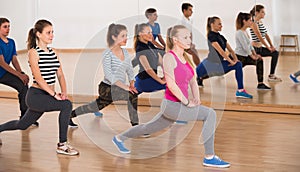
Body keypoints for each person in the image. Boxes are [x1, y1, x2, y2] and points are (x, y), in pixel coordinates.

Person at [112, 25, 230, 168]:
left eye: (190, 37)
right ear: (175, 40)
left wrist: (196, 98)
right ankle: (209, 157)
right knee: (209, 114)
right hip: (172, 106)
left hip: (176, 106)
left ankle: (119, 138)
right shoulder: (169, 57)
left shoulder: (185, 57)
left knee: (147, 128)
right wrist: (187, 102)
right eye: (185, 37)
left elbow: (193, 80)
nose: (189, 40)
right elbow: (171, 84)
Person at [0, 19, 79, 155]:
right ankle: (62, 144)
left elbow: (60, 75)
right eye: (48, 32)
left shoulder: (54, 52)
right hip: (36, 96)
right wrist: (55, 95)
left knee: (23, 125)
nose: (52, 35)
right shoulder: (33, 53)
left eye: (52, 32)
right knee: (66, 105)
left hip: (47, 95)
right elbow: (39, 79)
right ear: (38, 34)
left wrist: (64, 92)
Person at [70, 24, 140, 126]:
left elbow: (129, 69)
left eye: (126, 35)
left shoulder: (125, 52)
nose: (126, 39)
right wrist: (126, 87)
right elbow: (109, 75)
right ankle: (136, 126)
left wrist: (132, 83)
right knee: (132, 96)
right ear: (114, 37)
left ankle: (69, 115)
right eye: (123, 36)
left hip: (117, 88)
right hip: (107, 88)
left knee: (94, 107)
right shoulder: (107, 53)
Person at [196, 16, 253, 99]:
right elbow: (221, 52)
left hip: (218, 65)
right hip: (208, 64)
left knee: (238, 64)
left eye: (221, 24)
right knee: (199, 73)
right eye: (219, 24)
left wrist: (235, 59)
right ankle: (199, 79)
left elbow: (231, 50)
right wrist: (231, 61)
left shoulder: (221, 37)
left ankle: (240, 91)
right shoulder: (211, 36)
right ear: (212, 24)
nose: (221, 26)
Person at [0, 18, 39, 126]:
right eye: (5, 26)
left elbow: (14, 60)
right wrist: (18, 74)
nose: (8, 29)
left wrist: (21, 74)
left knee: (23, 84)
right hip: (2, 71)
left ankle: (25, 117)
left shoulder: (11, 42)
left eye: (9, 26)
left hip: (3, 73)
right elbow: (2, 63)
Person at [235, 12, 271, 90]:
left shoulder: (245, 32)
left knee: (259, 60)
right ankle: (201, 78)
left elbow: (250, 45)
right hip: (238, 57)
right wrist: (252, 56)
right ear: (244, 21)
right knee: (221, 71)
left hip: (246, 57)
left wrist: (255, 55)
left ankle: (260, 84)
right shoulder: (239, 33)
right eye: (250, 20)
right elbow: (245, 47)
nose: (251, 22)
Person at [249, 4, 281, 82]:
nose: (264, 14)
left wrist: (271, 45)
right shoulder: (253, 23)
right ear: (256, 12)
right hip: (255, 49)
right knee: (257, 62)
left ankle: (271, 76)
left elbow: (265, 34)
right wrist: (268, 47)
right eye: (262, 12)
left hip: (261, 48)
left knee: (275, 53)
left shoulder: (260, 21)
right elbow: (259, 37)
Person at [133, 23, 166, 94]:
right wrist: (161, 81)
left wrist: (166, 75)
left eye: (151, 32)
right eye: (148, 33)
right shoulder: (141, 49)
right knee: (170, 85)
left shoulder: (150, 44)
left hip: (147, 79)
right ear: (140, 34)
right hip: (144, 81)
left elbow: (160, 61)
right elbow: (148, 70)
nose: (151, 34)